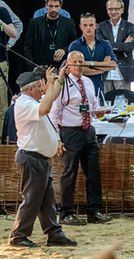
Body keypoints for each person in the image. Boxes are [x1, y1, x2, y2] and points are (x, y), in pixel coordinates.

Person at [9, 66, 77, 247]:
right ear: (31, 89)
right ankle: (18, 236)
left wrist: (60, 78)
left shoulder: (31, 101)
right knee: (31, 199)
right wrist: (52, 83)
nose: (43, 90)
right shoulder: (24, 104)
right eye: (40, 87)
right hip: (31, 158)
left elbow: (51, 97)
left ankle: (54, 233)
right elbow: (47, 107)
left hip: (39, 159)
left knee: (47, 200)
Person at [50, 51, 112, 225]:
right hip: (70, 132)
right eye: (74, 62)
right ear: (67, 65)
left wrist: (98, 112)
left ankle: (94, 211)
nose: (78, 65)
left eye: (81, 62)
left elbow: (92, 106)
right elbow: (55, 112)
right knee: (69, 173)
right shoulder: (62, 83)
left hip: (88, 130)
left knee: (93, 172)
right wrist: (57, 138)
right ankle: (66, 213)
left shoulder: (88, 82)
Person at [68, 13, 117, 97]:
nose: (88, 28)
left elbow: (113, 65)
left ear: (96, 26)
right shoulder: (75, 46)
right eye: (85, 25)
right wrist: (101, 69)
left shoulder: (105, 44)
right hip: (79, 88)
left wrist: (88, 63)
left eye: (91, 25)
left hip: (99, 87)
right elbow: (77, 69)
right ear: (80, 27)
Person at [24, 0, 77, 70]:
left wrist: (64, 50)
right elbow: (28, 47)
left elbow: (74, 43)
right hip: (39, 67)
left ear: (60, 6)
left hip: (62, 67)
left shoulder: (68, 23)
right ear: (46, 5)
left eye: (56, 6)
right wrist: (32, 67)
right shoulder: (35, 23)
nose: (53, 9)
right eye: (51, 6)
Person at [98, 0, 134, 93]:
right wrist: (121, 45)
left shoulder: (130, 26)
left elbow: (129, 47)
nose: (113, 12)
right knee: (106, 103)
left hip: (123, 71)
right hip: (106, 71)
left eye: (116, 9)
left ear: (122, 10)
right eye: (110, 9)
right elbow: (101, 47)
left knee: (124, 103)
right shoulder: (101, 27)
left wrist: (109, 44)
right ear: (107, 11)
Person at [0, 6, 16, 144]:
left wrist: (1, 23)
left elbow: (13, 33)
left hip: (0, 63)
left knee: (1, 105)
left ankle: (0, 142)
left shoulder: (2, 11)